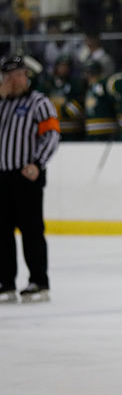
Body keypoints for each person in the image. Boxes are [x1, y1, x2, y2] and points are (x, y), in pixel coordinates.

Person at [0, 56, 61, 304]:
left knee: (32, 231)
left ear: (26, 76)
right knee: (2, 232)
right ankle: (6, 282)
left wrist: (38, 164)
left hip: (26, 176)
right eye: (9, 76)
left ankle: (39, 281)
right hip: (2, 176)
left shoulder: (39, 103)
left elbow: (52, 136)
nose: (14, 80)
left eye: (18, 75)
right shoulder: (1, 103)